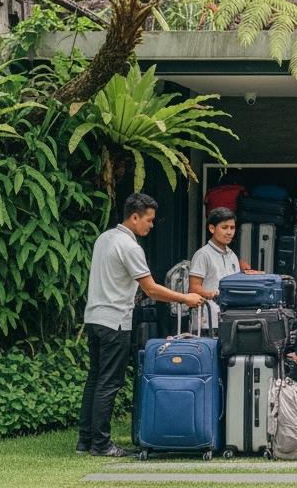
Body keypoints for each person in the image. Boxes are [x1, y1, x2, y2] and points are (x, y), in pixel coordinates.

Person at [77, 193, 204, 457]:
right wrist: (186, 298)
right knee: (109, 383)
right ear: (134, 217)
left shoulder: (104, 238)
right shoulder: (130, 246)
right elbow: (151, 289)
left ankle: (85, 441)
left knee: (95, 379)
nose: (152, 225)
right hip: (115, 322)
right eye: (149, 219)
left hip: (95, 317)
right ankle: (101, 444)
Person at [188, 207, 243, 332]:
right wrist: (212, 294)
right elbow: (193, 288)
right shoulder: (202, 254)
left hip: (229, 320)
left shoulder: (233, 256)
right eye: (224, 227)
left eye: (232, 228)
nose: (229, 232)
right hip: (206, 322)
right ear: (212, 228)